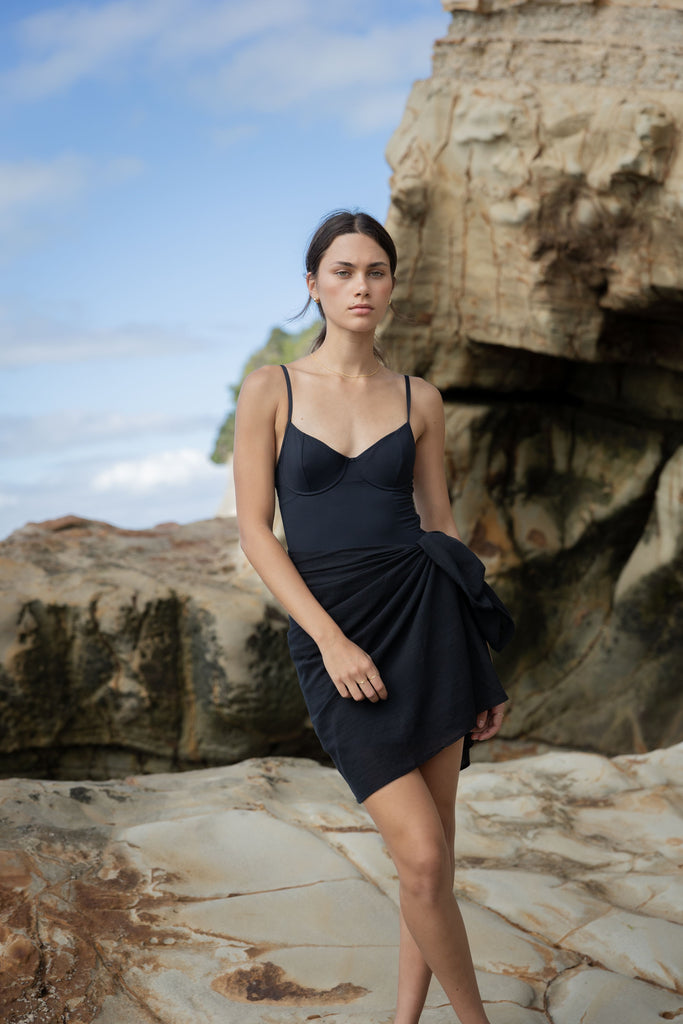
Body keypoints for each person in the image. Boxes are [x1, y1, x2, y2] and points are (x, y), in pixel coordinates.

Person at [233, 210, 514, 1024]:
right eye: (344, 271)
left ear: (392, 285)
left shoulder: (419, 397)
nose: (361, 286)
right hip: (336, 639)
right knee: (421, 852)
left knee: (428, 867)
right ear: (313, 284)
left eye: (376, 271)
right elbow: (255, 530)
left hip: (430, 628)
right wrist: (329, 639)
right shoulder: (271, 389)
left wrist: (479, 660)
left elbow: (441, 528)